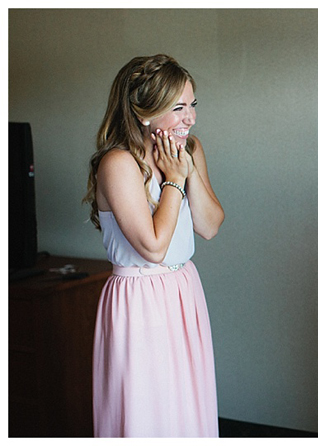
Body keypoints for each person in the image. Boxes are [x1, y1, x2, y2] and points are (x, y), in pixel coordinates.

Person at [83, 54, 224, 437]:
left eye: (192, 104)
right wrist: (174, 180)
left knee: (186, 409)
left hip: (183, 289)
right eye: (178, 108)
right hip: (139, 298)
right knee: (147, 412)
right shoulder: (118, 164)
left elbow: (209, 226)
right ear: (143, 112)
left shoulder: (189, 149)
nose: (190, 118)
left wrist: (186, 167)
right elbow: (154, 247)